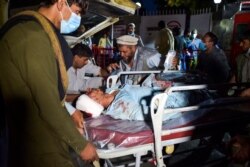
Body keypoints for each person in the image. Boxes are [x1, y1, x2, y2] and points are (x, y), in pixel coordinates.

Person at [0, 0, 99, 166]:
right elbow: (47, 100)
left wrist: (70, 112)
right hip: (35, 136)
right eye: (77, 12)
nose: (77, 19)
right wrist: (81, 145)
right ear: (61, 3)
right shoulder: (32, 36)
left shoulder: (31, 29)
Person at [84, 84, 212, 123]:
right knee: (213, 98)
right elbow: (141, 114)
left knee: (208, 90)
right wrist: (177, 112)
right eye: (89, 94)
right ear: (95, 101)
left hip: (171, 93)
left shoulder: (111, 92)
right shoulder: (120, 104)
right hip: (178, 100)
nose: (89, 90)